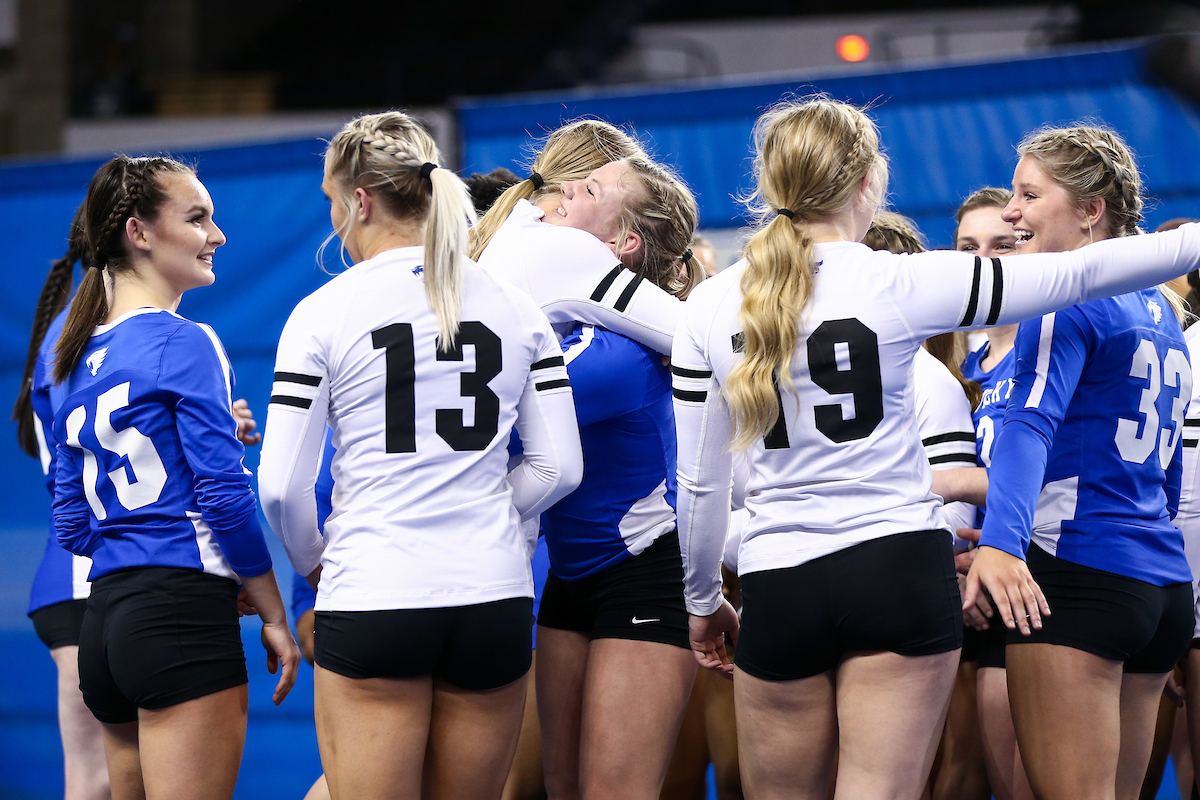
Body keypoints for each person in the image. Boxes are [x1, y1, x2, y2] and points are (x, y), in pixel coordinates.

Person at [673, 96, 1200, 800]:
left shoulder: (709, 305)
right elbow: (1079, 275)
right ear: (868, 184)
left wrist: (704, 597)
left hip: (779, 573)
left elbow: (702, 485)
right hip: (897, 565)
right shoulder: (899, 280)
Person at [257, 111, 583, 800]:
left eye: (331, 204)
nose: (334, 223)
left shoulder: (323, 310)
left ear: (361, 201)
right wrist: (484, 509)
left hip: (376, 586)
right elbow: (559, 467)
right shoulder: (517, 308)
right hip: (491, 594)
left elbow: (282, 487)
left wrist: (316, 559)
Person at [50, 155, 300, 800]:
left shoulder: (74, 357)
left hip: (102, 624)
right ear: (139, 232)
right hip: (177, 620)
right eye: (198, 218)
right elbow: (224, 494)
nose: (216, 236)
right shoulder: (184, 340)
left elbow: (72, 520)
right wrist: (270, 605)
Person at [964, 126, 1193, 800]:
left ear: (1091, 210)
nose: (1011, 212)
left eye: (1029, 195)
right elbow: (1169, 463)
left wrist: (1002, 546)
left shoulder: (1062, 295)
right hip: (1161, 586)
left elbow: (1026, 426)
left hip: (1079, 575)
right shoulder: (1162, 306)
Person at [533, 162, 700, 800]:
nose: (565, 192)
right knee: (562, 789)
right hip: (570, 577)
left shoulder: (620, 351)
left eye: (589, 190)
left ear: (621, 243)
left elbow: (500, 416)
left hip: (642, 573)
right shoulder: (569, 322)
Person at [862, 210, 988, 800]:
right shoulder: (792, 372)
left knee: (941, 775)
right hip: (816, 590)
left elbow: (956, 518)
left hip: (916, 600)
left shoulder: (930, 382)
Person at [12, 206, 111, 800]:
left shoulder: (86, 329)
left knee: (108, 777)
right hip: (84, 582)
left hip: (82, 581)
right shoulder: (85, 334)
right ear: (134, 235)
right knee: (99, 779)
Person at [472, 119, 696, 355]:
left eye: (589, 189)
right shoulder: (566, 247)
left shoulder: (521, 222)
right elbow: (696, 335)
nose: (568, 187)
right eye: (590, 187)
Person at [953, 186, 1031, 800]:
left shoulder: (1055, 345)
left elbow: (1056, 477)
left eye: (1003, 245)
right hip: (959, 591)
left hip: (1032, 583)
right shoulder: (950, 357)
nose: (986, 261)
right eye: (968, 248)